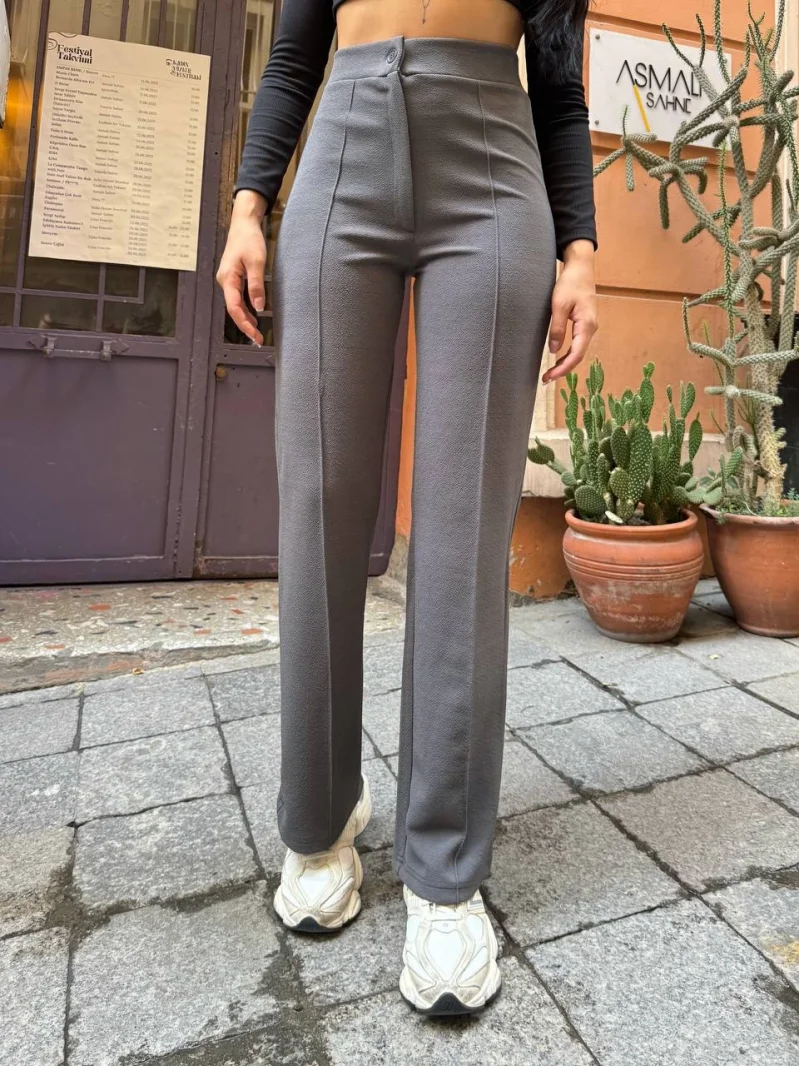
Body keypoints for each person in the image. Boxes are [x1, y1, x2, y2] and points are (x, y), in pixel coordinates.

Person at [216, 0, 598, 1016]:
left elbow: (559, 87)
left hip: (493, 165)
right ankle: (318, 823)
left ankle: (444, 873)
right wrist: (250, 206)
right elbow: (293, 55)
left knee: (464, 527)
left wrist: (581, 254)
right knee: (319, 506)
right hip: (343, 152)